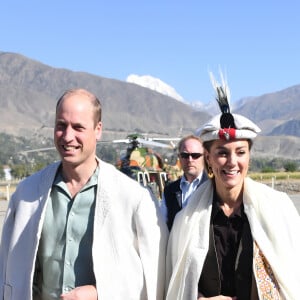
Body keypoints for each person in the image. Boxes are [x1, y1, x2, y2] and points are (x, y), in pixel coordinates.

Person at [0, 88, 168, 300]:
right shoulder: (26, 195)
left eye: (78, 127)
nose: (68, 137)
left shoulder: (134, 198)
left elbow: (154, 277)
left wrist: (101, 294)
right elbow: (10, 271)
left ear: (98, 130)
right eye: (61, 126)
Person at [165, 74, 300, 300]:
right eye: (222, 153)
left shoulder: (279, 210)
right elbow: (178, 283)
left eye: (240, 152)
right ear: (208, 157)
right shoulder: (186, 221)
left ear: (249, 156)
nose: (232, 162)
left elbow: (292, 276)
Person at [160, 135, 207, 230]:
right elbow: (162, 224)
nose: (190, 160)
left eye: (195, 155)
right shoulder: (170, 190)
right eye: (185, 155)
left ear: (205, 157)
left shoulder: (214, 187)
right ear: (179, 158)